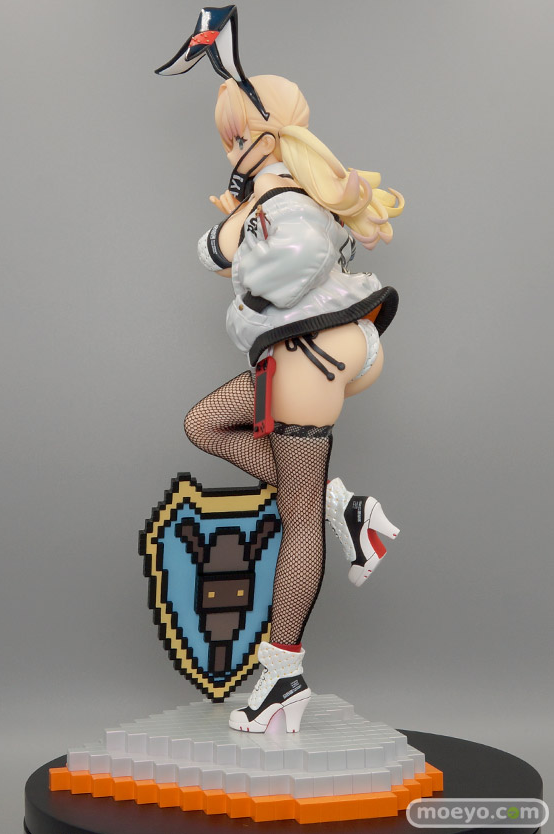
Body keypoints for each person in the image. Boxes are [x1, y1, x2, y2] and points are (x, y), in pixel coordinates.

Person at [157, 9, 403, 734]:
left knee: (296, 519)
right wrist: (238, 223)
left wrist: (239, 236)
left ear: (266, 136)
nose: (230, 149)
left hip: (308, 356)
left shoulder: (288, 197)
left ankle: (283, 672)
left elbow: (284, 272)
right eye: (228, 138)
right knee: (204, 423)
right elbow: (224, 255)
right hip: (298, 355)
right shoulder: (279, 195)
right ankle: (346, 508)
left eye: (238, 136)